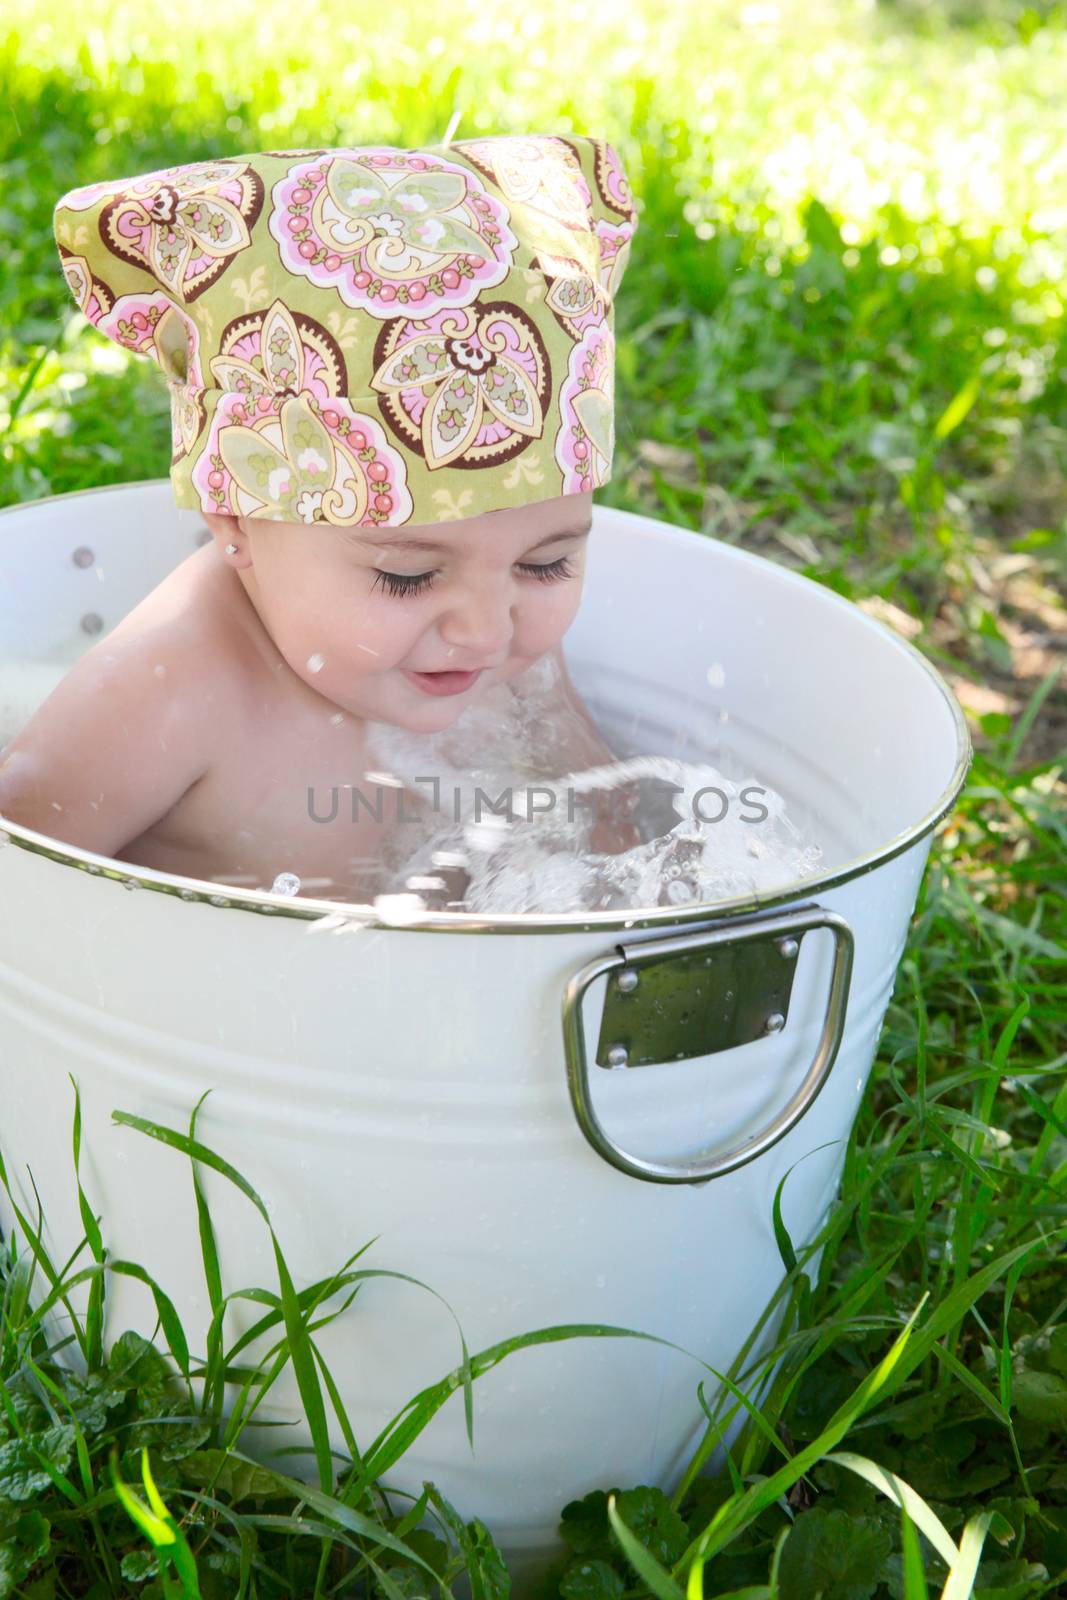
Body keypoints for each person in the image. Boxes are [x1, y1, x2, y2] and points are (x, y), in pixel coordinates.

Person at [0, 134, 641, 902]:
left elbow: (609, 833)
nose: (485, 628)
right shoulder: (166, 694)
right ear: (235, 521)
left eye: (545, 565)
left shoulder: (502, 649)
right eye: (408, 576)